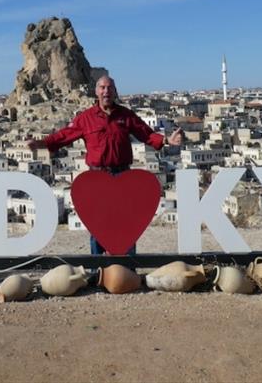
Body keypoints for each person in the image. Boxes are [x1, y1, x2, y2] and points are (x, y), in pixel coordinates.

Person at [28, 75, 183, 255]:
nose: (106, 91)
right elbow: (63, 136)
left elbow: (146, 133)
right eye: (102, 87)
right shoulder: (86, 118)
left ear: (115, 91)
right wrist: (40, 144)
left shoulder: (126, 116)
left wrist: (166, 140)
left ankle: (127, 270)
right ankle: (97, 270)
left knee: (126, 224)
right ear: (96, 92)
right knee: (98, 226)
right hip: (97, 178)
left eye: (109, 88)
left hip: (123, 175)